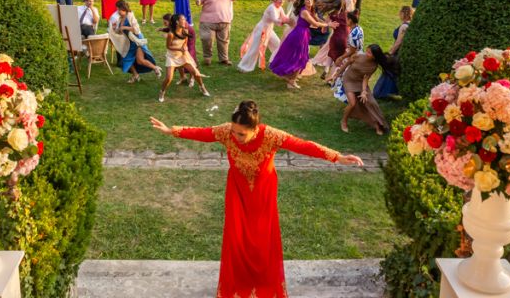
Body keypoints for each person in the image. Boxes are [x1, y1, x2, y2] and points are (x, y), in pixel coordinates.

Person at [148, 101, 363, 298]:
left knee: (262, 238)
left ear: (255, 129)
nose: (235, 136)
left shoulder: (271, 136)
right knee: (236, 236)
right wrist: (171, 130)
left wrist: (338, 157)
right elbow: (202, 133)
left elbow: (304, 145)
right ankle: (238, 283)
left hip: (263, 192)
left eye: (241, 134)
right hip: (237, 191)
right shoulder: (227, 132)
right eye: (234, 131)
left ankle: (262, 282)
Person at [270, 0, 337, 89]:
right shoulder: (304, 11)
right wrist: (328, 25)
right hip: (299, 35)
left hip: (304, 35)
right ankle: (291, 82)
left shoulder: (311, 11)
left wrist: (325, 22)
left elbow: (317, 20)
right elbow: (314, 23)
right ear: (304, 1)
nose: (309, 1)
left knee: (300, 58)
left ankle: (291, 77)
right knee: (300, 59)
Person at [334, 44, 390, 134]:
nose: (366, 53)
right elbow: (347, 63)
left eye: (369, 53)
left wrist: (364, 91)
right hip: (348, 80)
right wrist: (338, 74)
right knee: (353, 103)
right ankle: (344, 121)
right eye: (367, 51)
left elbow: (365, 79)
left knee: (371, 102)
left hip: (360, 82)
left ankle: (378, 124)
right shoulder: (358, 56)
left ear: (375, 56)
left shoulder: (373, 66)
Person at [158, 14, 209, 102]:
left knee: (195, 72)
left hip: (182, 55)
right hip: (172, 57)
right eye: (183, 19)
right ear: (177, 22)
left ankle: (202, 88)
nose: (185, 21)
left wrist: (184, 48)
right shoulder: (171, 34)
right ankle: (162, 91)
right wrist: (179, 49)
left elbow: (185, 42)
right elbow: (168, 47)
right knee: (169, 78)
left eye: (185, 19)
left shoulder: (185, 31)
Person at [108, 0, 162, 83]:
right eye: (117, 9)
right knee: (126, 60)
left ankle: (155, 68)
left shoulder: (130, 16)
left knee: (140, 60)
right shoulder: (119, 19)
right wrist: (115, 29)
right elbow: (120, 31)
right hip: (128, 43)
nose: (118, 11)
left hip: (136, 41)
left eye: (119, 9)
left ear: (124, 9)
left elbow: (136, 29)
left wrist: (125, 28)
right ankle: (135, 75)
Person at [238, 0, 289, 73]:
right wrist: (283, 22)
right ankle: (244, 66)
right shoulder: (271, 7)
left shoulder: (280, 7)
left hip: (269, 30)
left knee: (278, 44)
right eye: (280, 1)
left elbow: (284, 17)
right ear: (275, 0)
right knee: (255, 49)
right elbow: (275, 20)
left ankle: (278, 63)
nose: (282, 3)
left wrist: (289, 20)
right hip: (261, 29)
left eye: (283, 1)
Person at [197, 0, 237, 65]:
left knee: (224, 41)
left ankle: (223, 59)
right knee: (207, 39)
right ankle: (207, 57)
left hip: (224, 20)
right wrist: (198, 1)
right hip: (208, 21)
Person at [373, 6, 412, 99]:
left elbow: (398, 42)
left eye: (400, 13)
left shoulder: (404, 26)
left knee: (389, 70)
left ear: (404, 14)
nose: (399, 14)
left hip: (397, 52)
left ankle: (381, 92)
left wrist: (390, 52)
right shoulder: (409, 24)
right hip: (400, 51)